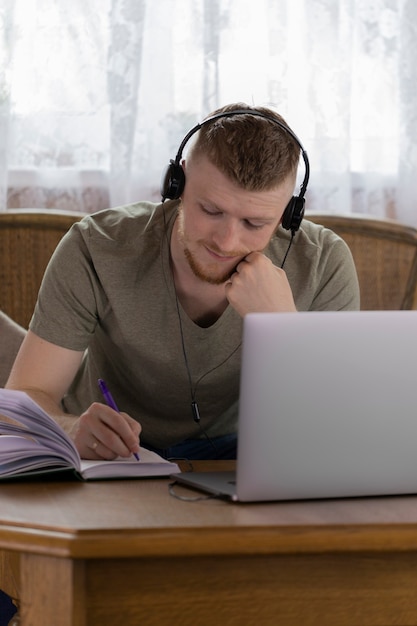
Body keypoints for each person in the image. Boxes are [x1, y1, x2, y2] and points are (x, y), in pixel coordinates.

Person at [5, 103, 360, 461]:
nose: (227, 241)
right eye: (211, 211)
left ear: (288, 213)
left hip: (241, 456)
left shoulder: (323, 263)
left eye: (254, 224)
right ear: (178, 182)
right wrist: (70, 429)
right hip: (108, 459)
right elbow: (24, 399)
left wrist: (280, 329)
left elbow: (337, 429)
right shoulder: (96, 247)